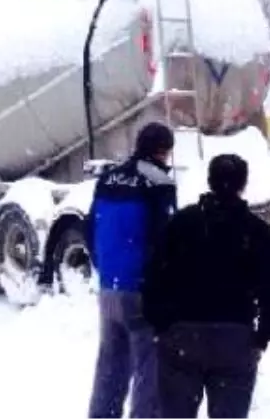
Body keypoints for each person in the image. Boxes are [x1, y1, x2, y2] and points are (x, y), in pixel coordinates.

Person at [142, 154, 270, 419]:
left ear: (209, 181)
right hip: (235, 340)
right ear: (243, 184)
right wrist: (263, 335)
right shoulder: (256, 231)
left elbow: (154, 277)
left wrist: (160, 325)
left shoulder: (181, 224)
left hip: (181, 338)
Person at [85, 121, 178, 419]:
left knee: (111, 365)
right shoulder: (159, 182)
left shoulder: (108, 178)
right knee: (149, 370)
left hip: (109, 287)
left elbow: (90, 228)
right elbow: (165, 240)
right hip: (140, 290)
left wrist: (105, 267)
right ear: (163, 152)